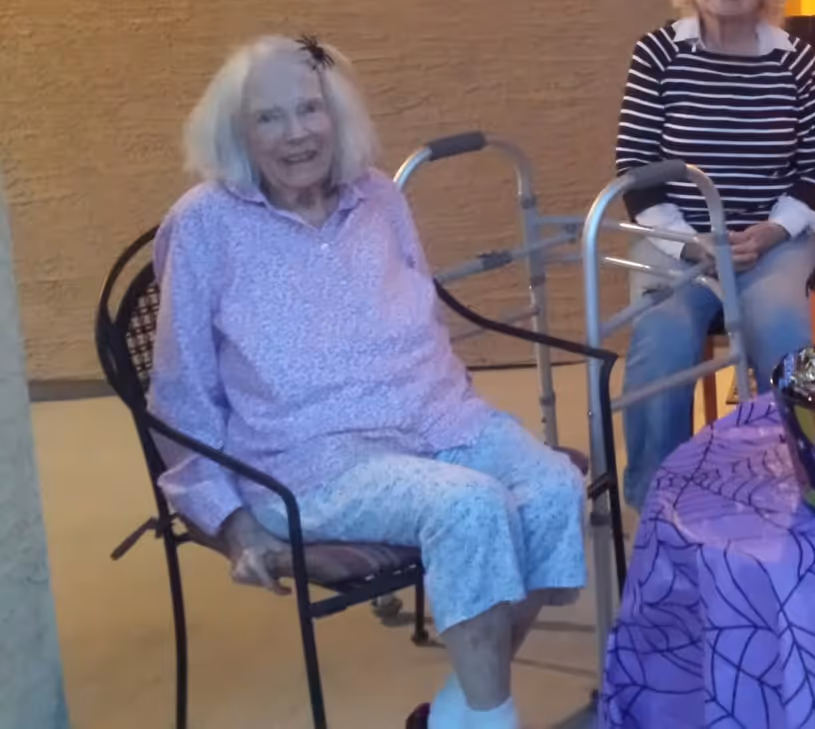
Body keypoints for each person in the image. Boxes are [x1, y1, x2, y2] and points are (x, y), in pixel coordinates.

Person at [149, 35, 584, 729]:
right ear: (236, 131)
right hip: (313, 455)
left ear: (337, 114)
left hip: (437, 417)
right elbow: (179, 389)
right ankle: (492, 719)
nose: (296, 133)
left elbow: (418, 305)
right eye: (269, 117)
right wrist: (230, 523)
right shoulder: (204, 223)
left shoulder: (378, 195)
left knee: (554, 489)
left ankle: (460, 713)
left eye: (309, 108)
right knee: (471, 507)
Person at [615, 0, 815, 510]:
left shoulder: (796, 61)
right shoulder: (658, 54)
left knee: (781, 328)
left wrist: (770, 231)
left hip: (774, 240)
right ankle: (654, 501)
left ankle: (806, 484)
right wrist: (692, 242)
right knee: (662, 336)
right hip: (681, 240)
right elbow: (636, 170)